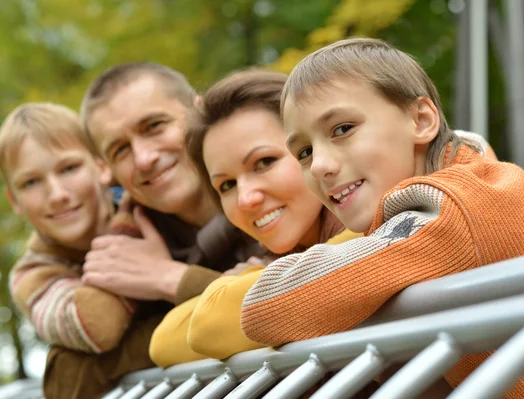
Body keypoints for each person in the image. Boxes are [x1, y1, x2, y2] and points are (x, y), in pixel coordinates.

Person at [239, 38, 524, 396]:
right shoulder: (481, 180)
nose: (321, 167)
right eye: (305, 152)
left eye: (343, 129)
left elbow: (265, 309)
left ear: (421, 120)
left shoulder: (446, 209)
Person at [42, 63, 262, 398]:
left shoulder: (275, 180)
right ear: (106, 169)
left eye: (154, 126)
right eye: (121, 149)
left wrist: (170, 279)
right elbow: (65, 378)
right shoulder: (124, 248)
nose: (144, 158)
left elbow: (301, 299)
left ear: (200, 111)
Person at [149, 70, 362, 368]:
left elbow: (209, 326)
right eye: (227, 185)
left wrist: (249, 279)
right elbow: (163, 343)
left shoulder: (374, 225)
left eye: (264, 162)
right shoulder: (281, 253)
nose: (246, 198)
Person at [0, 102, 143, 354]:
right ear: (14, 200)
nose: (57, 194)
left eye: (69, 168)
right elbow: (95, 327)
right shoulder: (32, 275)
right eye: (30, 182)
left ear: (101, 166)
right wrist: (131, 229)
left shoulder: (153, 203)